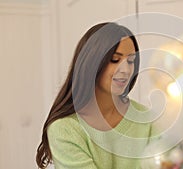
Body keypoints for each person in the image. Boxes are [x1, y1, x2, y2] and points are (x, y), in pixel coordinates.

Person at [36, 22, 155, 169]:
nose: (126, 70)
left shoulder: (147, 119)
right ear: (91, 62)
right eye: (115, 60)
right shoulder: (65, 129)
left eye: (130, 61)